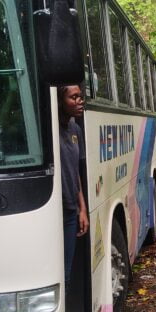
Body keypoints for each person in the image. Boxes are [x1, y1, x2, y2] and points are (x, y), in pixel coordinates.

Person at [58, 84, 89, 284]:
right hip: (54, 210)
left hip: (70, 210)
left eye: (80, 96)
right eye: (73, 97)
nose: (80, 101)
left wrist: (82, 209)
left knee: (66, 272)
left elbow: (75, 171)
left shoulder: (75, 129)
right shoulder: (50, 129)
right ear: (60, 100)